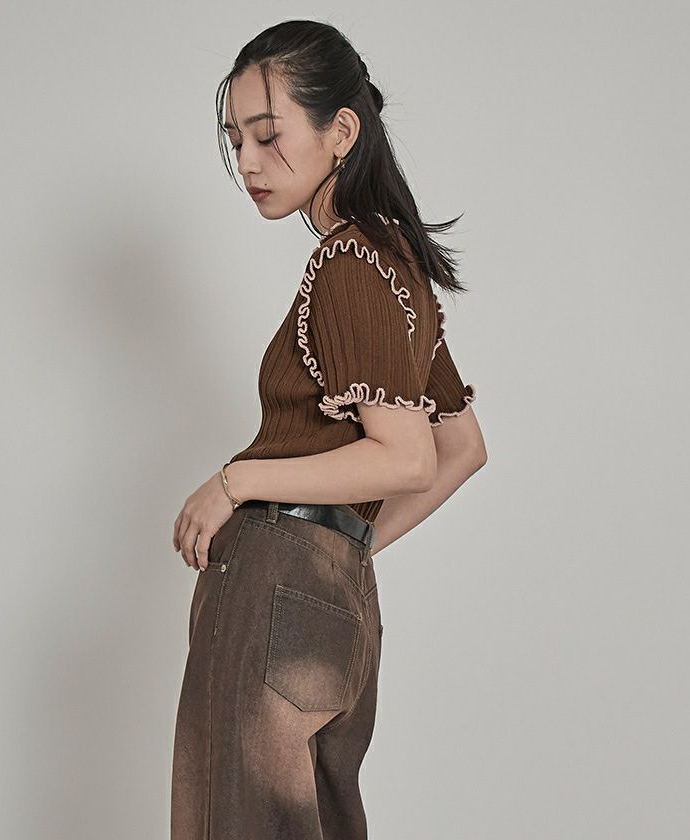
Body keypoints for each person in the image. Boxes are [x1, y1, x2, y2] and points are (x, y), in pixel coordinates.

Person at [170, 18, 487, 840]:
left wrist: (235, 483)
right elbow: (461, 450)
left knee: (239, 822)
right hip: (336, 598)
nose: (247, 162)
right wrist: (343, 550)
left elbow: (408, 457)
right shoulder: (399, 267)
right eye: (235, 140)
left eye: (268, 134)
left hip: (273, 588)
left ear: (341, 131)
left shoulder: (348, 263)